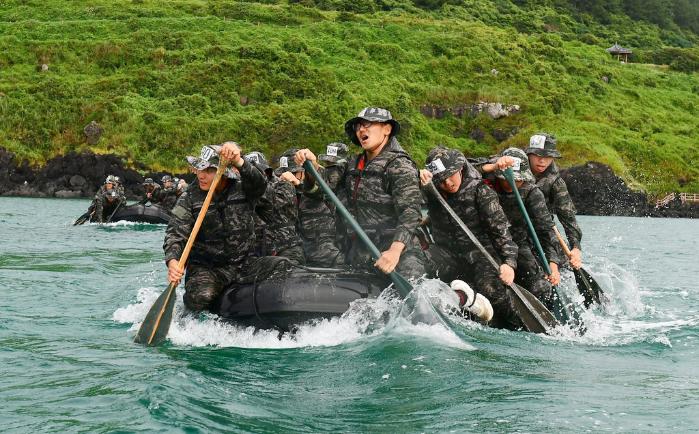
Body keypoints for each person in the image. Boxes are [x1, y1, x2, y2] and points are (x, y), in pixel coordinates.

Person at [295, 107, 427, 280]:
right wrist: (311, 166)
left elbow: (410, 213)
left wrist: (394, 252)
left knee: (411, 297)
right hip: (362, 251)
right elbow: (321, 189)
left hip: (399, 252)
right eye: (358, 127)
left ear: (387, 129)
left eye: (368, 124)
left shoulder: (400, 165)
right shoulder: (351, 164)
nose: (361, 130)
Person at [420, 146, 520, 328]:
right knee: (417, 262)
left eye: (451, 176)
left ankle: (513, 325)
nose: (448, 183)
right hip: (447, 254)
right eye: (441, 180)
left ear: (460, 169)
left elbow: (500, 230)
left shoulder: (480, 191)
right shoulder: (430, 188)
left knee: (491, 289)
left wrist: (509, 263)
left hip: (481, 256)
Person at [163, 142, 267, 313]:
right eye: (199, 169)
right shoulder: (189, 197)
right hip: (209, 267)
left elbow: (260, 184)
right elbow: (175, 233)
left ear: (223, 172)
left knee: (281, 270)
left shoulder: (243, 186)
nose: (201, 176)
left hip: (246, 263)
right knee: (200, 297)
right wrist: (173, 262)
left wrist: (239, 161)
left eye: (209, 170)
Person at [473, 147, 562, 308]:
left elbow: (546, 231)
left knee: (541, 288)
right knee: (490, 285)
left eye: (518, 179)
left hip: (519, 244)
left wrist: (553, 265)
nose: (512, 183)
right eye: (507, 179)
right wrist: (493, 166)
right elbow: (465, 168)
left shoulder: (532, 193)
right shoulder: (485, 182)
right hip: (487, 242)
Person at [525, 133, 583, 269]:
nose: (542, 161)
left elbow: (568, 217)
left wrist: (576, 247)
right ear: (529, 154)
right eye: (538, 156)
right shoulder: (515, 166)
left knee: (562, 262)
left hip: (543, 228)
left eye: (547, 157)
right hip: (512, 225)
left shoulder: (555, 181)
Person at [277, 148, 343, 268]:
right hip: (296, 256)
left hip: (325, 255)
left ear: (304, 172)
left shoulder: (317, 187)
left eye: (293, 172)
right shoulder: (282, 193)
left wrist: (298, 184)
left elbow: (318, 192)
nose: (288, 176)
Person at [252, 152, 305, 265]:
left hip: (286, 250)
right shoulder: (241, 190)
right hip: (261, 253)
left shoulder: (283, 186)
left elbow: (269, 202)